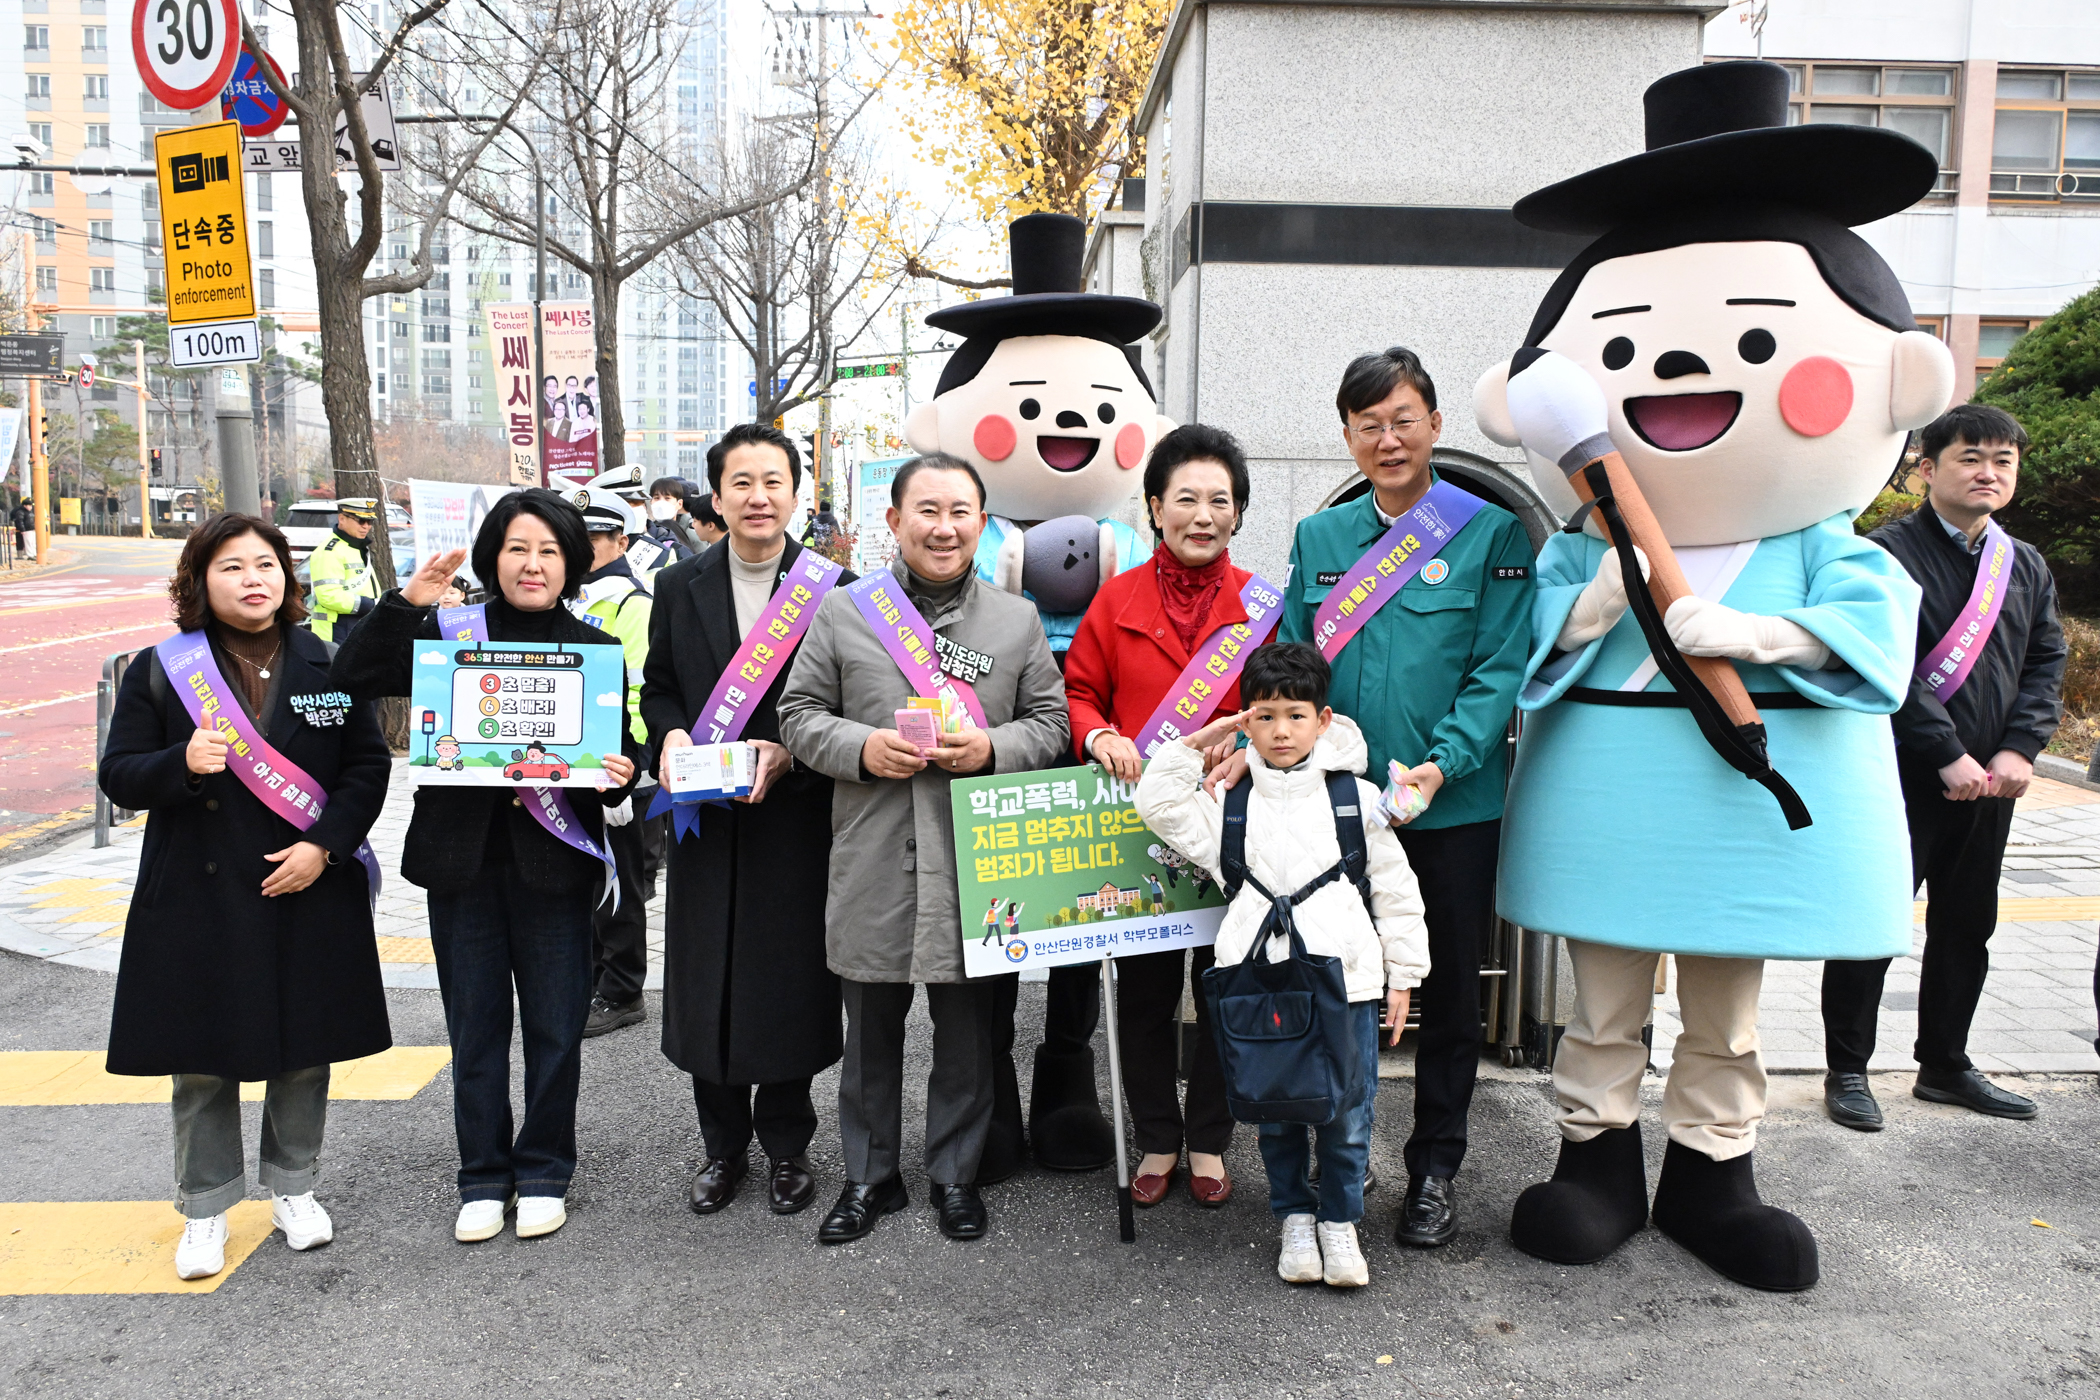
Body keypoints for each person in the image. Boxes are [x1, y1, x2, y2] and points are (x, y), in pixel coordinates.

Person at [1238, 347, 1532, 1249]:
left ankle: (1434, 1170)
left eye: (1404, 420)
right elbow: (1291, 660)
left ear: (1437, 426)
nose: (1389, 438)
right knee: (1328, 983)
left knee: (1442, 996)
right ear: (1348, 436)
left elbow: (1497, 670)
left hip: (1448, 808)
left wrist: (1442, 763)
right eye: (1369, 424)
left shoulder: (1489, 534)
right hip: (1336, 813)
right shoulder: (1322, 541)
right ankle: (1336, 1160)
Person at [778, 452, 1070, 1244]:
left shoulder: (1015, 620)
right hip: (872, 851)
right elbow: (797, 714)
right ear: (895, 521)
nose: (944, 528)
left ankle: (954, 1175)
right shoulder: (845, 613)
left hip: (978, 858)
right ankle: (869, 1177)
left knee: (970, 1031)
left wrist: (991, 750)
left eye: (960, 512)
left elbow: (1052, 723)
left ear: (983, 521)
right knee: (869, 1030)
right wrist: (862, 748)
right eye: (927, 511)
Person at [333, 490, 639, 1245]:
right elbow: (353, 674)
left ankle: (541, 1170)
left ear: (570, 561)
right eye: (516, 548)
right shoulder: (448, 631)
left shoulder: (595, 650)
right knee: (474, 1027)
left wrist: (619, 776)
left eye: (548, 551)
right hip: (461, 865)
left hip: (555, 864)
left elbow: (608, 758)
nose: (531, 564)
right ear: (491, 555)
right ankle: (481, 1175)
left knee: (555, 1028)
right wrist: (407, 601)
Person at [100, 513, 392, 1279]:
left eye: (265, 564)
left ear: (286, 579)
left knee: (305, 1050)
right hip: (199, 891)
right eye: (232, 567)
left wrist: (322, 846)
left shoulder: (324, 663)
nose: (253, 579)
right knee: (201, 1058)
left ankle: (295, 1189)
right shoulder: (163, 670)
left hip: (303, 883)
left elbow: (364, 767)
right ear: (199, 580)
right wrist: (183, 762)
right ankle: (205, 1209)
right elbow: (118, 773)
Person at [1134, 643, 1429, 1288]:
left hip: (1346, 977)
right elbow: (1157, 805)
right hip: (1256, 977)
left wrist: (1403, 975)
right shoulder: (1228, 802)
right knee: (1276, 1107)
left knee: (1350, 1110)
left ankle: (1340, 1222)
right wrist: (1201, 742)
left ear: (1324, 719)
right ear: (1247, 721)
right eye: (1264, 717)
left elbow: (1397, 890)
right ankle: (1295, 1215)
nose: (1281, 731)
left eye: (1296, 715)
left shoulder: (1358, 797)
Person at [1820, 404, 2065, 1128]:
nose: (1988, 473)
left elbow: (2046, 661)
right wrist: (1946, 751)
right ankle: (1847, 1068)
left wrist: (2021, 747)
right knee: (1873, 922)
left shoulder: (2025, 565)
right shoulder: (1880, 555)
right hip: (1896, 774)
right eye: (1970, 458)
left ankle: (1945, 1063)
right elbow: (1875, 664)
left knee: (1968, 922)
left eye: (2003, 461)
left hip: (1994, 780)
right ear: (1927, 468)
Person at [642, 423, 848, 1218]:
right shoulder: (678, 585)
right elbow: (658, 685)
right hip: (703, 823)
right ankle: (722, 1148)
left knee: (788, 983)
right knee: (708, 985)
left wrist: (793, 752)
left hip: (794, 820)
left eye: (773, 481)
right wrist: (668, 734)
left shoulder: (836, 588)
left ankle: (790, 1149)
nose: (758, 497)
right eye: (741, 483)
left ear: (796, 492)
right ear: (716, 496)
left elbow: (853, 703)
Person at [1063, 422, 1261, 1208]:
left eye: (1220, 500)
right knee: (1143, 993)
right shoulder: (1114, 601)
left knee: (1227, 985)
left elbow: (1291, 703)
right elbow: (1078, 691)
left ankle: (1211, 1139)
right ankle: (1155, 1137)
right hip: (1137, 829)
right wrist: (1100, 732)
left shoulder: (1262, 603)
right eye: (1186, 499)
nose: (1202, 515)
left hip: (1230, 824)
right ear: (1154, 507)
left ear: (1239, 513)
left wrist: (1255, 750)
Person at [569, 486, 657, 1038]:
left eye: (595, 539)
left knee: (620, 886)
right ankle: (595, 980)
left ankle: (623, 991)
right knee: (587, 882)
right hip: (564, 769)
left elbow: (639, 695)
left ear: (620, 540)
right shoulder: (570, 598)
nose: (584, 548)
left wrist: (624, 764)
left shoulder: (631, 604)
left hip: (613, 772)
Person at [306, 498, 381, 644]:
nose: (366, 526)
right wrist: (371, 605)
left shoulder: (355, 547)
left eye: (369, 522)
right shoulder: (329, 552)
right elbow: (328, 596)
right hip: (337, 628)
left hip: (358, 623)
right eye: (360, 521)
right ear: (342, 519)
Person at [647, 475, 701, 561]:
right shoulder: (646, 529)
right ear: (651, 502)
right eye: (657, 498)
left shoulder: (690, 531)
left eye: (667, 498)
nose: (661, 503)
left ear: (679, 504)